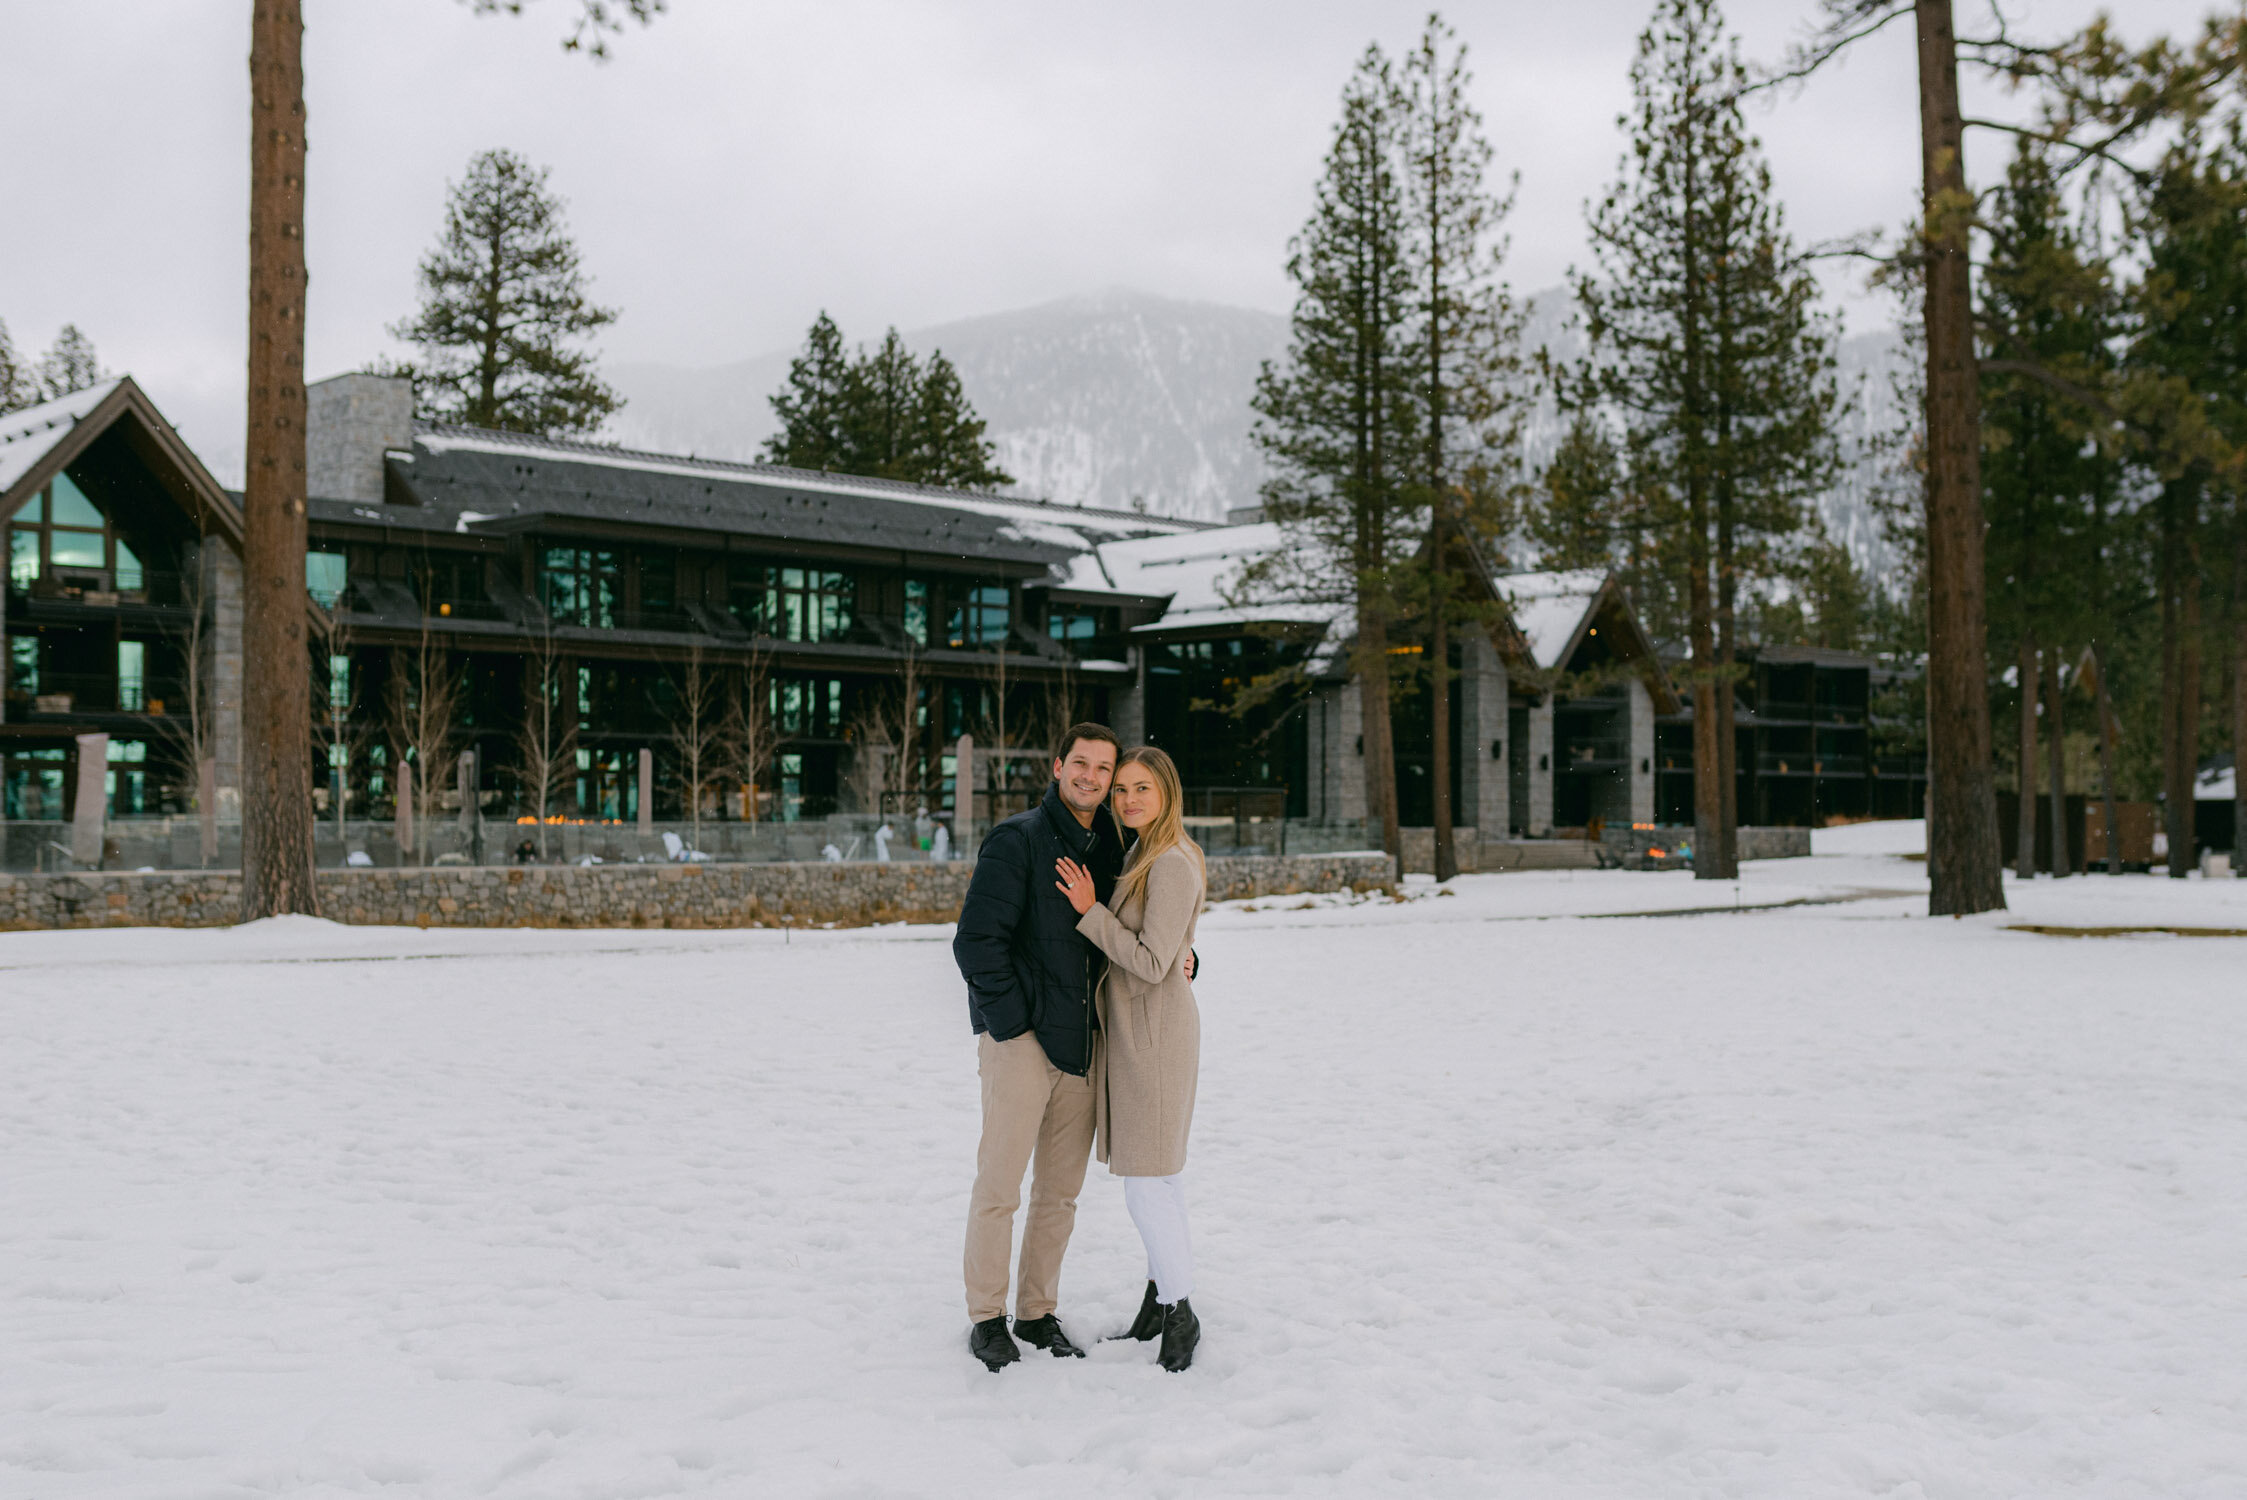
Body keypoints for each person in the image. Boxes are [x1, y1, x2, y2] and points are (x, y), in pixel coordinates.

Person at [951, 723, 1126, 1372]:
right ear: (1057, 767)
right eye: (1079, 763)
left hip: (1082, 1047)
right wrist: (1012, 1028)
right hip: (1022, 1045)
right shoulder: (1016, 839)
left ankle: (1035, 1311)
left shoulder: (1113, 846)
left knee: (1059, 1193)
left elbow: (1125, 932)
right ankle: (985, 1317)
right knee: (999, 1187)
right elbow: (975, 943)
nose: (1090, 777)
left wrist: (1183, 956)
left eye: (1102, 769)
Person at [1055, 744, 1207, 1373]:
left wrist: (1090, 913)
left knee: (1147, 1184)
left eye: (1142, 788)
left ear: (1167, 792)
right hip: (1143, 1032)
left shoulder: (1171, 861)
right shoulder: (1147, 853)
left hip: (1155, 1039)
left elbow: (1149, 961)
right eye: (1121, 790)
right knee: (1161, 1179)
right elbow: (1173, 952)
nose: (1127, 799)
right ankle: (1159, 1297)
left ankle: (1181, 1312)